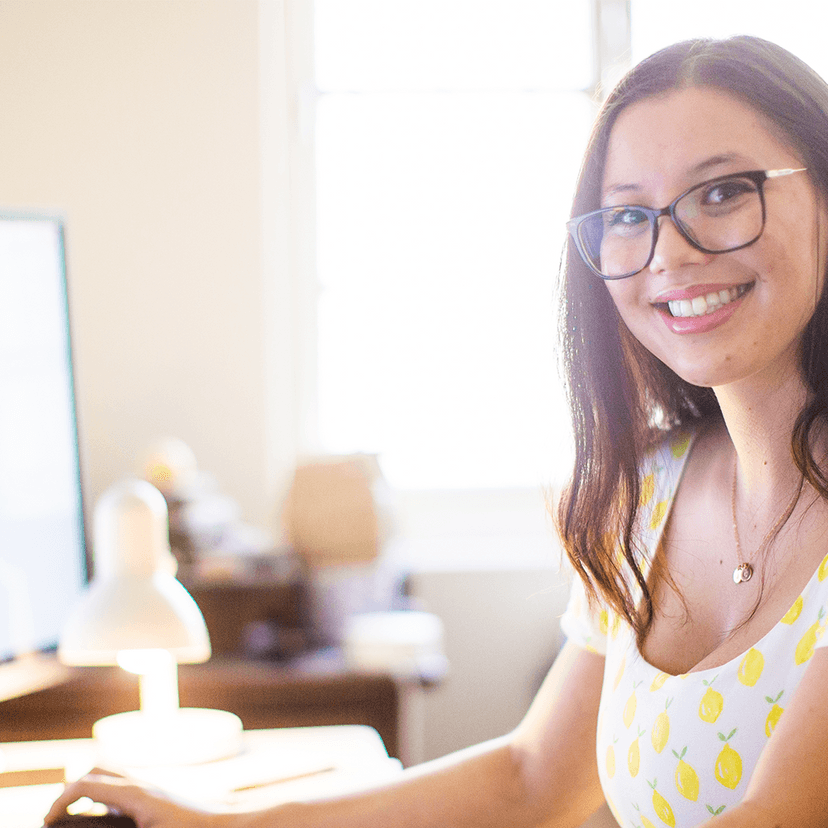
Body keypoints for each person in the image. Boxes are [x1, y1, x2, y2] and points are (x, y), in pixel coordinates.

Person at [46, 35, 828, 828]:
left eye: (724, 193)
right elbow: (531, 779)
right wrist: (220, 824)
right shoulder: (648, 491)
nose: (671, 251)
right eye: (629, 213)